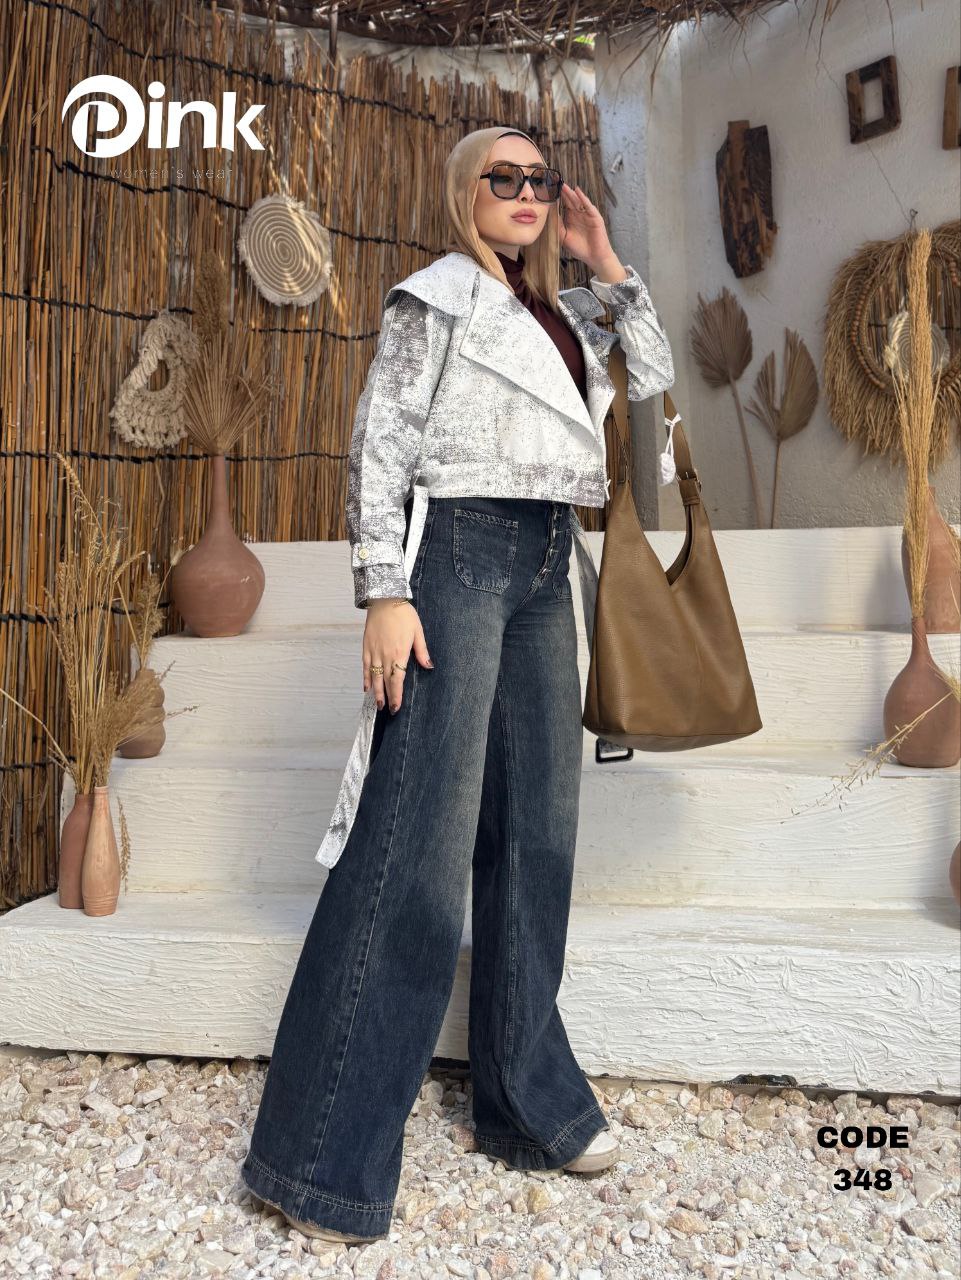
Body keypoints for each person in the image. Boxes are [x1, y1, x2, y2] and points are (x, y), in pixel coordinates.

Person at [240, 125, 675, 1246]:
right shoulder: (431, 298)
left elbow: (655, 376)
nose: (527, 193)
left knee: (538, 833)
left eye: (541, 179)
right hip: (454, 555)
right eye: (504, 178)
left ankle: (526, 1105)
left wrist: (604, 261)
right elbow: (378, 446)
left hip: (544, 558)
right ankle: (320, 1158)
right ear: (462, 192)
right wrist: (383, 590)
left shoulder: (566, 313)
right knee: (417, 844)